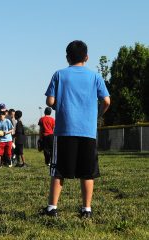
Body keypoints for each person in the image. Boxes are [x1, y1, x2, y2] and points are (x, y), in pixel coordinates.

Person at [44, 40, 110, 218]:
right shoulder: (95, 76)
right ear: (86, 57)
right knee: (87, 172)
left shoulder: (59, 74)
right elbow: (106, 101)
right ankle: (86, 209)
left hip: (65, 130)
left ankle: (52, 208)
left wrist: (61, 106)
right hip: (87, 130)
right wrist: (96, 115)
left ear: (67, 57)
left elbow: (50, 101)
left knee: (59, 171)